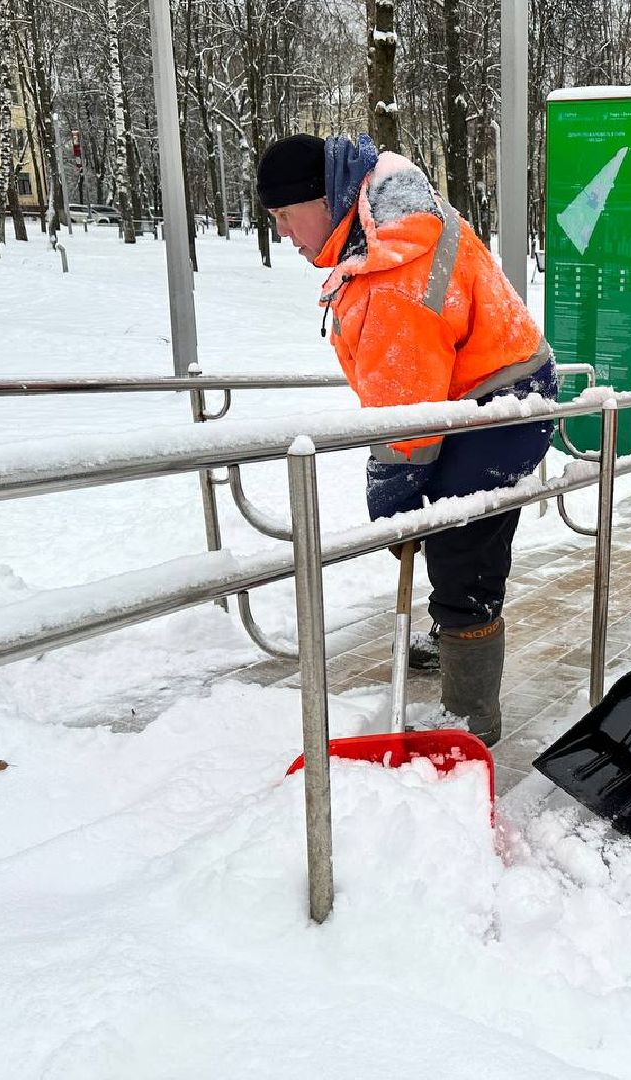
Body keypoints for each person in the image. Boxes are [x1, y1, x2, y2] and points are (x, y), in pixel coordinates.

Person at [256, 133, 557, 746]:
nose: (285, 232)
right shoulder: (381, 230)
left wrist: (393, 513)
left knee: (460, 546)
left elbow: (406, 423)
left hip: (499, 409)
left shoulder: (394, 269)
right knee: (447, 532)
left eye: (286, 215)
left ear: (322, 199)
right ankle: (452, 633)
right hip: (491, 391)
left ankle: (471, 715)